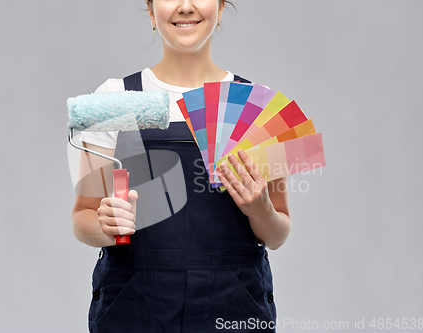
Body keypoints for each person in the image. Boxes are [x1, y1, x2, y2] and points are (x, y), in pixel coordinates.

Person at [71, 0, 291, 332]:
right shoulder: (114, 98)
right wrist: (106, 226)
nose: (185, 6)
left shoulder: (257, 106)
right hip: (135, 305)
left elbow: (278, 234)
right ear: (150, 9)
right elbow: (82, 217)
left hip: (234, 305)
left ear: (220, 6)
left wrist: (260, 210)